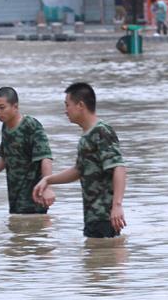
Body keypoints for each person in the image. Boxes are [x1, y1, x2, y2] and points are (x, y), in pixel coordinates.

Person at [33, 82, 126, 238]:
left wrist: (117, 206)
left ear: (80, 105)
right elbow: (78, 170)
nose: (65, 111)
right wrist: (48, 180)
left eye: (67, 105)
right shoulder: (86, 136)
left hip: (105, 216)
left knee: (106, 257)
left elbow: (119, 168)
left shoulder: (102, 131)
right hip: (91, 216)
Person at [0, 87, 54, 214]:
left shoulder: (30, 125)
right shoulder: (5, 127)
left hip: (34, 196)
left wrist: (47, 187)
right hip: (15, 196)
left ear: (15, 106)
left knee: (36, 230)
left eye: (2, 107)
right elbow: (5, 157)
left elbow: (45, 157)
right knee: (17, 229)